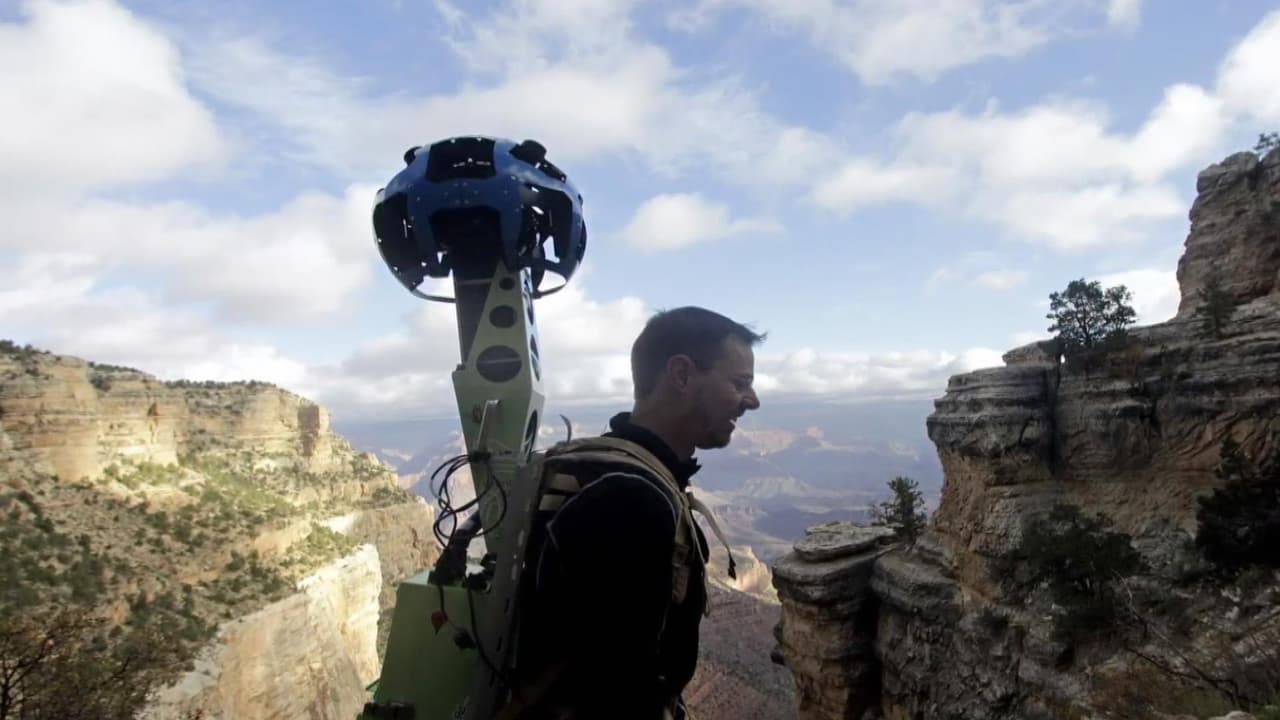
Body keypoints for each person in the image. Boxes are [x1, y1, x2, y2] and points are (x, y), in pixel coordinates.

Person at [513, 306, 765, 720]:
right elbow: (616, 695)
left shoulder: (604, 468)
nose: (751, 401)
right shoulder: (631, 502)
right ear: (682, 375)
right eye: (741, 383)